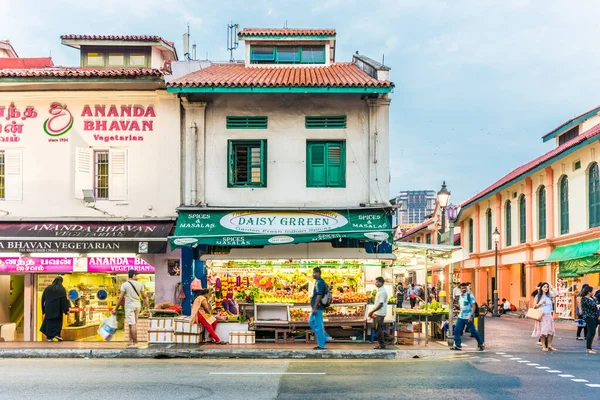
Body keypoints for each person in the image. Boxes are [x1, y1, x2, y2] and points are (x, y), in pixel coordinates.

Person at [112, 270, 150, 349]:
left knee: (132, 324)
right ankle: (130, 342)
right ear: (132, 275)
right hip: (137, 305)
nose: (136, 277)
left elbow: (121, 297)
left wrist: (116, 308)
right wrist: (147, 308)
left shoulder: (125, 285)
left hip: (129, 306)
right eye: (135, 275)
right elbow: (144, 297)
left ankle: (135, 343)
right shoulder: (140, 284)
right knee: (132, 324)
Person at [452, 283, 485, 351]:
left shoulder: (469, 295)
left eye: (464, 287)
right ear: (460, 289)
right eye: (462, 288)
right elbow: (462, 307)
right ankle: (458, 345)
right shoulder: (460, 296)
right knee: (456, 330)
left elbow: (473, 306)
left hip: (467, 317)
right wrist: (456, 306)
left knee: (473, 331)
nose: (463, 289)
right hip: (461, 316)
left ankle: (481, 343)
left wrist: (471, 316)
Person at [40, 276, 70, 342]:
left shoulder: (48, 288)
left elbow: (43, 299)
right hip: (58, 309)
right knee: (57, 322)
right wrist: (66, 310)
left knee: (49, 322)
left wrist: (43, 310)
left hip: (49, 309)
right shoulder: (61, 289)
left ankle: (49, 337)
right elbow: (64, 300)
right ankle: (57, 334)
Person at [533, 282, 556, 352]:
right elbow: (534, 306)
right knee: (543, 331)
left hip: (549, 315)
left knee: (550, 331)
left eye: (547, 287)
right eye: (544, 287)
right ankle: (543, 346)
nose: (546, 288)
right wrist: (540, 303)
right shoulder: (537, 296)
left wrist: (552, 287)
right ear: (541, 288)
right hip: (541, 316)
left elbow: (557, 294)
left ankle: (549, 345)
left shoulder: (549, 295)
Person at [309, 267, 328, 350]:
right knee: (311, 322)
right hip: (316, 307)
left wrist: (315, 307)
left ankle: (321, 345)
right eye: (313, 273)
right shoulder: (318, 282)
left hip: (318, 307)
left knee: (318, 326)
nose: (313, 274)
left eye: (314, 273)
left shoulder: (320, 282)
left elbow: (319, 295)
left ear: (318, 273)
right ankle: (324, 337)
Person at [369, 277, 388, 349]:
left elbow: (381, 304)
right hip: (378, 313)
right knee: (377, 329)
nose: (375, 283)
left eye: (376, 282)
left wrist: (372, 311)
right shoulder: (379, 291)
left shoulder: (382, 292)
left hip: (380, 313)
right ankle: (381, 343)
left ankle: (382, 344)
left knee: (378, 330)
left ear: (381, 283)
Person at [580, 285, 599, 354]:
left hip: (595, 316)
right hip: (589, 316)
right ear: (589, 292)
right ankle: (588, 348)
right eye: (592, 291)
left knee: (593, 332)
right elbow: (592, 306)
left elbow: (596, 304)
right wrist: (597, 306)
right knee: (591, 332)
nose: (593, 292)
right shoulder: (584, 299)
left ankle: (590, 347)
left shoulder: (592, 298)